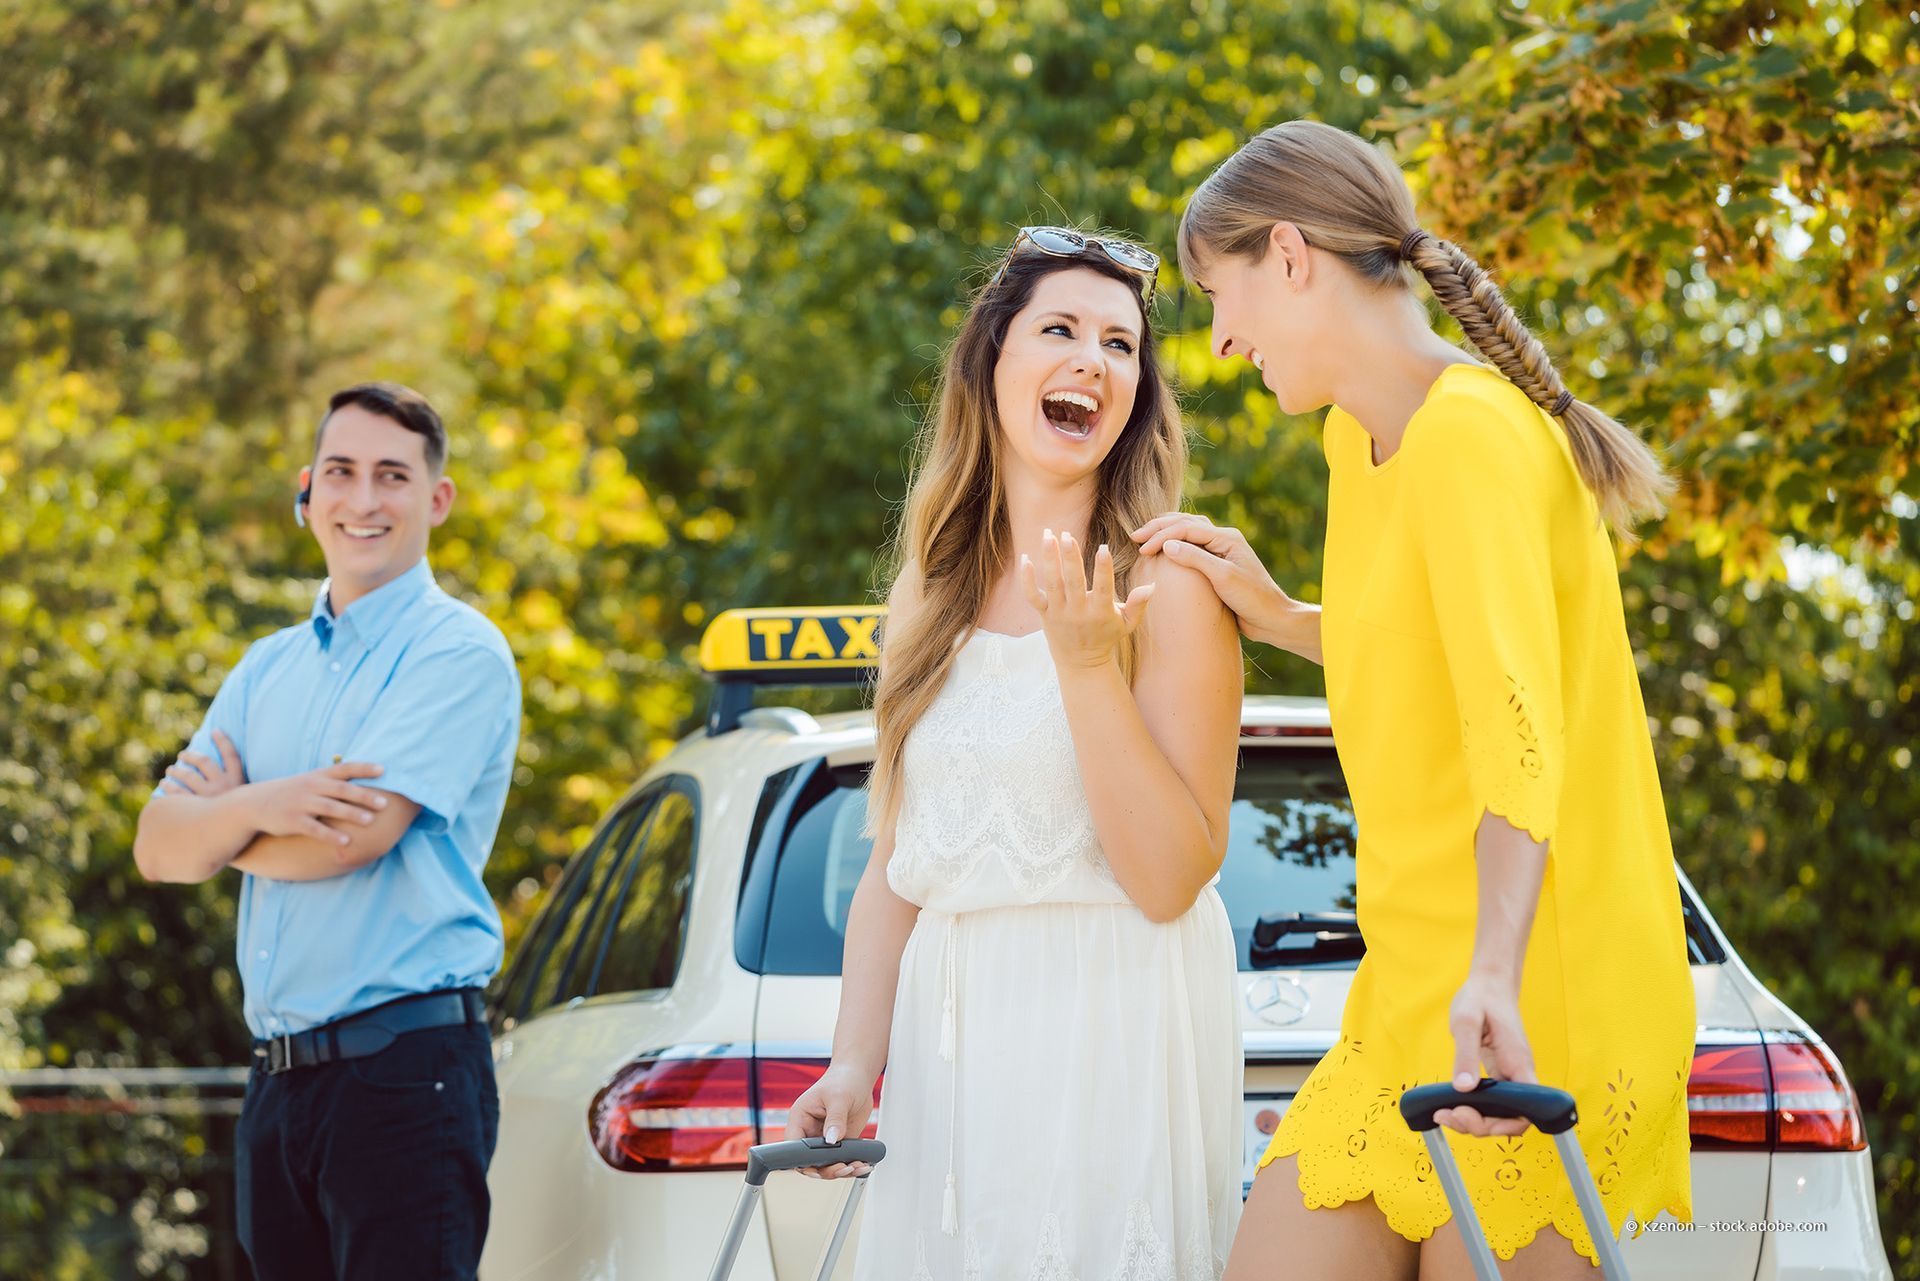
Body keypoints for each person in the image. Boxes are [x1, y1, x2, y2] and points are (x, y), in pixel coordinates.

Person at [1135, 120, 1695, 1278]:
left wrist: (1491, 973)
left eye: (1218, 294)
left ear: (1289, 254)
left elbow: (1516, 733)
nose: (1222, 339)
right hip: (1409, 986)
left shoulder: (1474, 437)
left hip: (1530, 986)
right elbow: (1425, 653)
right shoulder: (1360, 440)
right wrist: (1281, 616)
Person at [784, 227, 1246, 1279]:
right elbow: (897, 871)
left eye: (1122, 345)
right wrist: (856, 1063)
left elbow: (1173, 876)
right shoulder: (927, 597)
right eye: (1062, 330)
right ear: (991, 363)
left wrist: (1088, 670)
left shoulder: (1170, 585)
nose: (1095, 359)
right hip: (955, 1060)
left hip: (1114, 1031)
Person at [133, 382, 521, 1281]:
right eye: (341, 472)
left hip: (404, 1072)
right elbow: (158, 846)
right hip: (278, 1083)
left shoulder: (455, 652)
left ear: (437, 499)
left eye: (393, 475)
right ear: (308, 491)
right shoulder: (266, 668)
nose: (363, 499)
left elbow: (354, 838)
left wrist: (219, 831)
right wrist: (267, 805)